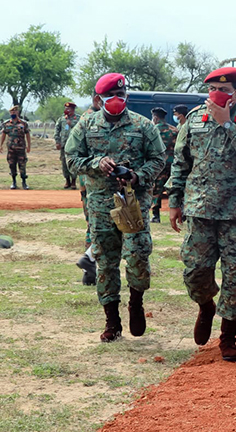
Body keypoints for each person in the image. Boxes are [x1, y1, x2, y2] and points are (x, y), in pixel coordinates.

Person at [167, 67, 236, 361]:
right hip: (199, 211)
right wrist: (174, 200)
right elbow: (180, 162)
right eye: (213, 90)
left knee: (235, 277)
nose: (218, 95)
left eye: (225, 90)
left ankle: (228, 337)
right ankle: (206, 305)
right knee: (195, 272)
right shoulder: (194, 119)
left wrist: (227, 126)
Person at [65, 73, 166, 343]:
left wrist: (137, 176)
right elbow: (72, 158)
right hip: (100, 205)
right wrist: (96, 163)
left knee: (137, 256)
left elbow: (159, 159)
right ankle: (112, 321)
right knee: (106, 262)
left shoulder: (143, 126)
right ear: (99, 100)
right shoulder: (86, 125)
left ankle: (136, 302)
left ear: (127, 97)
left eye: (121, 97)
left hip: (132, 202)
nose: (117, 101)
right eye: (111, 97)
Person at [75, 94, 103, 286]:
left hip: (90, 181)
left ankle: (89, 266)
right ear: (97, 98)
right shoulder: (90, 120)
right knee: (100, 225)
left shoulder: (89, 117)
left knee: (93, 225)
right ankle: (90, 260)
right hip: (94, 182)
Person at [150, 107, 178, 223]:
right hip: (172, 164)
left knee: (156, 189)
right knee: (174, 188)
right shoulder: (174, 130)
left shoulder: (152, 130)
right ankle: (179, 213)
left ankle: (156, 216)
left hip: (158, 165)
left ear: (155, 118)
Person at [0, 105, 31, 190]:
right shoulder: (6, 124)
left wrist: (29, 146)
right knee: (11, 165)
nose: (13, 113)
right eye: (12, 112)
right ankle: (14, 182)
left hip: (21, 149)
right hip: (11, 149)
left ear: (18, 112)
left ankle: (24, 183)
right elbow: (3, 135)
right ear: (10, 113)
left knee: (22, 165)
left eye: (15, 111)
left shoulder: (23, 123)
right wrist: (1, 145)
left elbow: (27, 134)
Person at [54, 102, 81, 189]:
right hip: (63, 144)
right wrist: (57, 141)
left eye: (68, 109)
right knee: (64, 163)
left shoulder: (78, 118)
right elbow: (57, 130)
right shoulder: (62, 119)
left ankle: (73, 181)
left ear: (73, 110)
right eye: (65, 108)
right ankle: (67, 181)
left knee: (73, 163)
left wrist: (71, 124)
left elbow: (81, 130)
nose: (66, 110)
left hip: (74, 145)